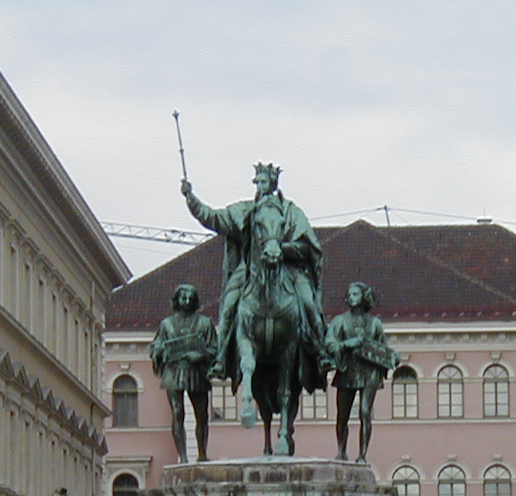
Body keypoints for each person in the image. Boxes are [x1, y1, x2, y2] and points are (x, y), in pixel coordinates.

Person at [181, 164, 329, 392]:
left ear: (273, 184)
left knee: (309, 303)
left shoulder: (292, 213)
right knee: (229, 304)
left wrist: (282, 249)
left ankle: (320, 352)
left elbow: (307, 248)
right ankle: (220, 358)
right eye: (257, 182)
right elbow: (213, 218)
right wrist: (191, 199)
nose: (260, 186)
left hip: (288, 269)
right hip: (250, 268)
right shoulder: (244, 211)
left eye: (264, 181)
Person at [326, 281, 399, 463]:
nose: (351, 297)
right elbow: (329, 344)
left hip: (369, 373)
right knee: (342, 415)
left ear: (364, 297)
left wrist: (393, 357)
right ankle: (341, 452)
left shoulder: (375, 324)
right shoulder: (340, 321)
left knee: (365, 413)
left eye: (355, 294)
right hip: (347, 371)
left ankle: (362, 455)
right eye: (349, 295)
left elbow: (383, 348)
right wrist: (345, 344)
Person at [150, 283, 217, 463]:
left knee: (202, 415)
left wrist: (200, 355)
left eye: (190, 298)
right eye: (183, 298)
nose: (186, 301)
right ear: (177, 300)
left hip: (197, 371)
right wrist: (158, 351)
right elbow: (156, 345)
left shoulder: (204, 323)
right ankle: (183, 457)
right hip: (173, 372)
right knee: (177, 413)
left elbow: (214, 348)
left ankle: (202, 454)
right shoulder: (166, 324)